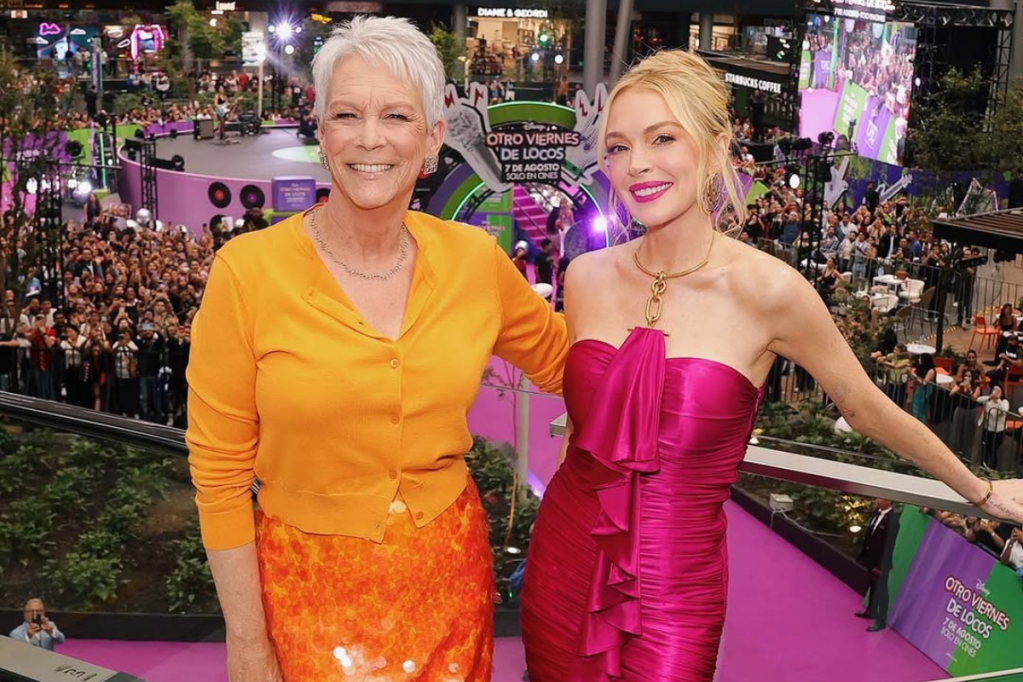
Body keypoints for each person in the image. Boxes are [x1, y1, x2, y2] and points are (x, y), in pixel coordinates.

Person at [519, 49, 1023, 682]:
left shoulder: (771, 292)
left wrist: (980, 491)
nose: (637, 163)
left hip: (676, 586)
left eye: (663, 138)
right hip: (564, 558)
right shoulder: (586, 277)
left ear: (716, 145)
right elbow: (586, 432)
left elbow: (865, 408)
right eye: (618, 147)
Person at [186, 17, 569, 682]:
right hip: (303, 597)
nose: (369, 138)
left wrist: (652, 278)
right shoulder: (246, 273)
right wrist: (247, 642)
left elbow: (578, 369)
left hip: (449, 592)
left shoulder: (475, 260)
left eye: (396, 115)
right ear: (321, 130)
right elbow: (219, 477)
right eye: (346, 114)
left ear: (433, 138)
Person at [855, 499, 894, 632]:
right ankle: (871, 611)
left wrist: (880, 565)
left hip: (881, 563)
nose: (877, 500)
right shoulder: (876, 513)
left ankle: (881, 621)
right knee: (873, 585)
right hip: (871, 559)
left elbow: (889, 545)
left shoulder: (892, 520)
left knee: (881, 591)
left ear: (889, 500)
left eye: (881, 498)